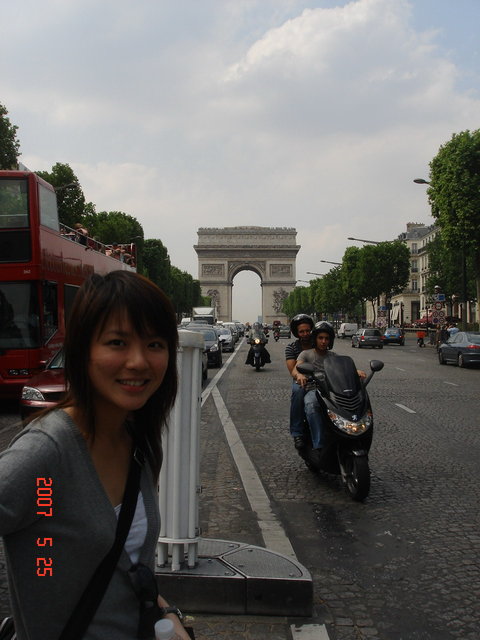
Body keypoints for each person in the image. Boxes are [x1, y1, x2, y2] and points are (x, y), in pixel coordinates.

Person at [0, 271, 191, 640]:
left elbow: (126, 565)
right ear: (82, 350)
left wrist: (166, 614)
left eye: (155, 344)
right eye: (118, 342)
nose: (138, 361)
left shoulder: (140, 443)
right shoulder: (47, 451)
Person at [293, 322, 366, 460]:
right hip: (314, 390)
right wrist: (299, 375)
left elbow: (342, 369)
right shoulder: (306, 354)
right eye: (320, 338)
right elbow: (297, 368)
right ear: (315, 339)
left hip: (332, 392)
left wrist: (356, 371)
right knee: (311, 405)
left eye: (326, 338)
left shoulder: (333, 356)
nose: (323, 341)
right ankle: (319, 445)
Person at [284, 314, 314, 450]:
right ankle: (297, 432)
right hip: (301, 379)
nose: (305, 334)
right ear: (297, 333)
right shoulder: (291, 348)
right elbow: (292, 370)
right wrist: (299, 375)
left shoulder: (319, 343)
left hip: (321, 378)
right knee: (298, 393)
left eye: (307, 330)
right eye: (302, 331)